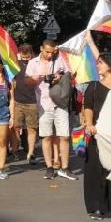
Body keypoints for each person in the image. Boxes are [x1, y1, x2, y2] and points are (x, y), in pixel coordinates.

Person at [82, 52, 111, 220]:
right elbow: (88, 107)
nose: (98, 65)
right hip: (98, 136)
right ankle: (96, 207)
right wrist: (89, 124)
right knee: (96, 170)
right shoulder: (93, 86)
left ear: (110, 65)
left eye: (101, 62)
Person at [28, 39, 76, 181]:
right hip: (43, 103)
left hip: (60, 102)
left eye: (52, 52)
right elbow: (26, 82)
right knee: (46, 136)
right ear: (41, 48)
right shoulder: (33, 63)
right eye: (47, 51)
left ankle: (65, 168)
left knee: (65, 136)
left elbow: (70, 75)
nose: (50, 55)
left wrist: (59, 77)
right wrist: (38, 77)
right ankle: (49, 167)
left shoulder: (60, 60)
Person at [11, 43, 41, 165]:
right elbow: (12, 80)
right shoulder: (16, 64)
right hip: (18, 100)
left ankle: (31, 152)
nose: (25, 58)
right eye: (23, 55)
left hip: (32, 101)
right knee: (15, 127)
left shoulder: (36, 64)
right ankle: (15, 149)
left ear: (31, 54)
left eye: (27, 56)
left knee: (31, 128)